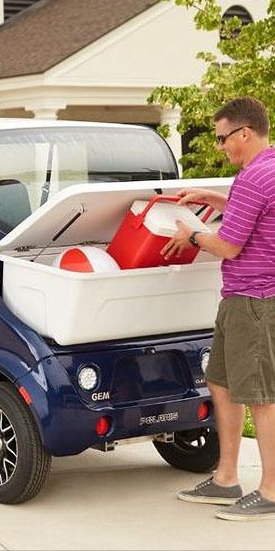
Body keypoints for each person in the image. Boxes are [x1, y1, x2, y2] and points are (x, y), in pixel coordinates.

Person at [161, 96, 275, 521]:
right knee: (222, 383)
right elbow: (253, 218)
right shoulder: (266, 169)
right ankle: (226, 479)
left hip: (255, 300)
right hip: (242, 298)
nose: (220, 146)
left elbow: (228, 244)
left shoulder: (253, 178)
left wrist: (191, 236)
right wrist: (214, 197)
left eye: (223, 138)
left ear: (244, 133)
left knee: (261, 397)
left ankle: (270, 490)